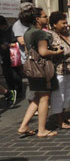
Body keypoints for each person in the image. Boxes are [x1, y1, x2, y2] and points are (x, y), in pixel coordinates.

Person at [17, 8, 64, 138]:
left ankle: (23, 126)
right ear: (37, 19)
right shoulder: (40, 33)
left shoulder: (27, 32)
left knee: (37, 97)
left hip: (31, 68)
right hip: (42, 69)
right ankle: (42, 129)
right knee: (44, 98)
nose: (47, 18)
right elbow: (43, 52)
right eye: (44, 16)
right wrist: (57, 52)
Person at [48, 11, 70, 129]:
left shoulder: (67, 34)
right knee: (58, 96)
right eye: (63, 23)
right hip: (59, 70)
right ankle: (59, 120)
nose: (66, 25)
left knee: (67, 95)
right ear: (55, 24)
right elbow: (60, 51)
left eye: (66, 22)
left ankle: (64, 114)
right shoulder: (51, 36)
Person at [0, 16, 18, 106]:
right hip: (4, 56)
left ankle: (15, 91)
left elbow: (17, 42)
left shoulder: (13, 29)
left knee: (15, 74)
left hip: (13, 55)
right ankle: (9, 91)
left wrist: (7, 45)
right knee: (7, 74)